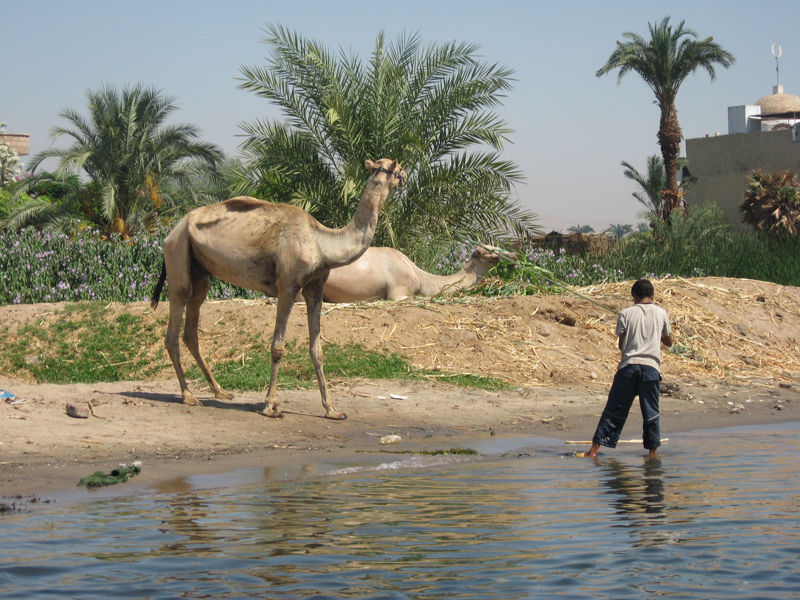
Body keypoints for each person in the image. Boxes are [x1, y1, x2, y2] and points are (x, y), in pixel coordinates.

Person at [584, 278, 673, 458]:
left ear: (634, 295)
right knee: (651, 413)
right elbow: (669, 342)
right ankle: (652, 453)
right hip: (650, 369)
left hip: (628, 368)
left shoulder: (625, 313)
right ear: (653, 295)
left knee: (613, 410)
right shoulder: (661, 313)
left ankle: (593, 451)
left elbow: (622, 346)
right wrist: (659, 337)